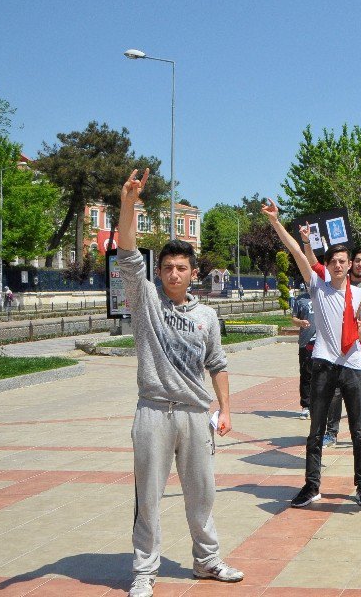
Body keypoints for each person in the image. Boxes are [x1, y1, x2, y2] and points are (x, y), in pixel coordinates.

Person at [116, 170, 243, 597]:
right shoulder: (146, 301)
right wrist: (129, 204)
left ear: (193, 273)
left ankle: (207, 561)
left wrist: (224, 409)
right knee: (148, 496)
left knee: (202, 494)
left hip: (194, 415)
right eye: (167, 267)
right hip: (153, 410)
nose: (173, 273)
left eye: (181, 267)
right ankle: (144, 571)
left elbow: (218, 363)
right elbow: (129, 251)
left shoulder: (206, 317)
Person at [262, 200, 361, 509]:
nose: (338, 265)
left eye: (343, 261)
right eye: (334, 261)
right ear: (329, 265)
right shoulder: (318, 287)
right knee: (315, 432)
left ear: (351, 264)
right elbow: (299, 253)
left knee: (359, 432)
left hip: (351, 365)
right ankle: (311, 486)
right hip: (324, 364)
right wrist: (276, 222)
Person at [321, 247, 361, 448]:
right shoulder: (336, 283)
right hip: (336, 350)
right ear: (351, 263)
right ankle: (331, 432)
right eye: (358, 260)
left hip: (360, 349)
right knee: (335, 392)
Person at [291, 289, 316, 420]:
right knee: (306, 374)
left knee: (323, 375)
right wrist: (299, 322)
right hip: (306, 342)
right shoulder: (300, 299)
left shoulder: (325, 294)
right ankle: (306, 406)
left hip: (323, 342)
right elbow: (294, 318)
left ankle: (320, 406)